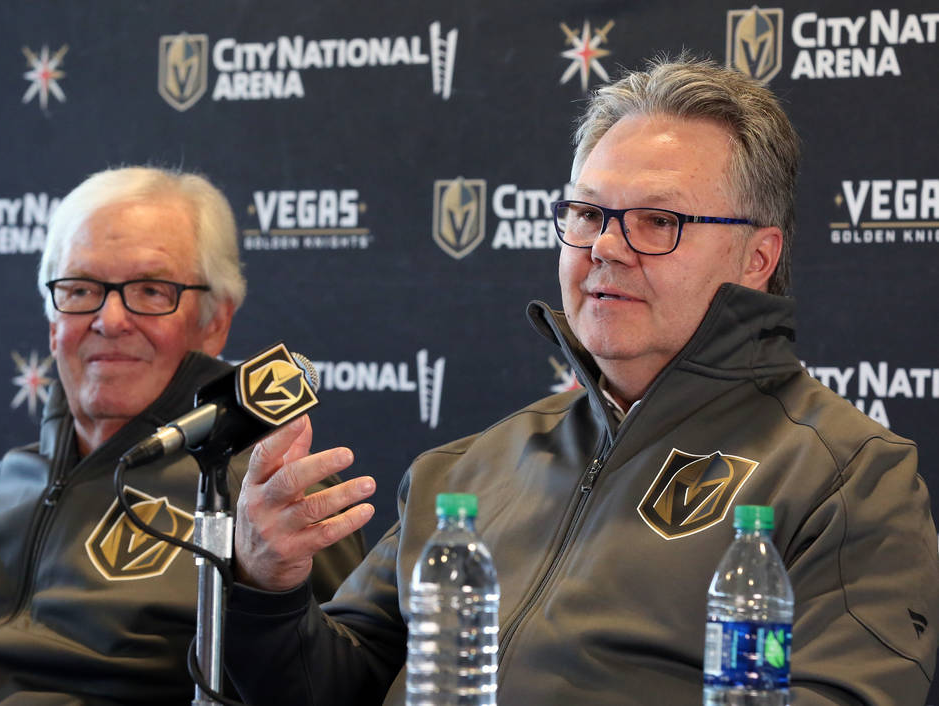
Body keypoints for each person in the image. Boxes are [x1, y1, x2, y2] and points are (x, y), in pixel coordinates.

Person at [223, 57, 939, 705]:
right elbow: (325, 686)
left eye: (658, 221)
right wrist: (266, 588)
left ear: (758, 256)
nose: (605, 247)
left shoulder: (847, 478)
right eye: (589, 213)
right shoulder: (464, 470)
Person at [0, 166, 365, 705]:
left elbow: (320, 686)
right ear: (53, 323)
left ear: (216, 322)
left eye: (149, 290)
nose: (109, 319)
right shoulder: (9, 478)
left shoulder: (268, 490)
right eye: (81, 289)